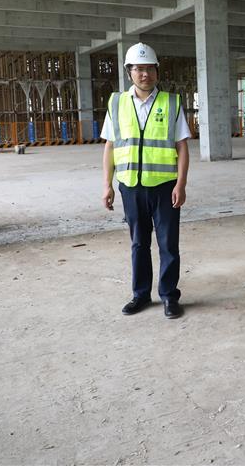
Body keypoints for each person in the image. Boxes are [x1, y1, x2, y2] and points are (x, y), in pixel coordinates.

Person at [101, 42, 190, 318]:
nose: (145, 74)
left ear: (157, 71)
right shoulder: (117, 103)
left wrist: (181, 184)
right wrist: (107, 185)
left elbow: (182, 146)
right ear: (129, 72)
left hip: (165, 187)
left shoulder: (171, 102)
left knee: (168, 244)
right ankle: (140, 295)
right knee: (139, 243)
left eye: (150, 68)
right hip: (131, 186)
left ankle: (169, 296)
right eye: (139, 69)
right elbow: (110, 146)